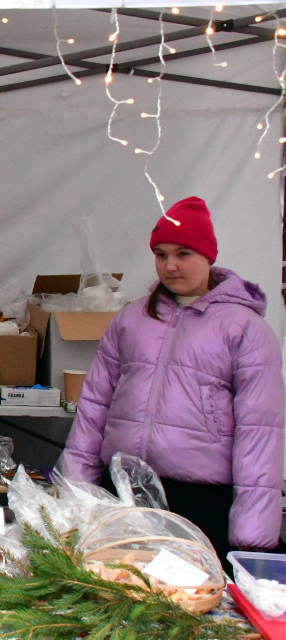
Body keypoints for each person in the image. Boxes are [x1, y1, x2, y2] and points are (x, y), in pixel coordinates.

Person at [62, 196, 284, 563]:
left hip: (199, 504)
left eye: (183, 254)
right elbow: (94, 408)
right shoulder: (131, 319)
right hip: (122, 495)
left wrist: (252, 537)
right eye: (161, 254)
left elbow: (260, 432)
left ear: (208, 256)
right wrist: (75, 493)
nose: (170, 265)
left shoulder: (246, 330)